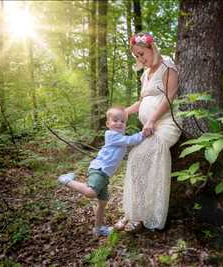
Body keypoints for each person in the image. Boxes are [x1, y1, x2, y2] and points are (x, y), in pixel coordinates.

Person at [115, 32, 181, 232]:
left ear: (153, 49)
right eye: (137, 56)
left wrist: (151, 119)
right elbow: (143, 100)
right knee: (135, 159)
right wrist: (125, 111)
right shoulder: (145, 74)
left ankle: (144, 216)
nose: (140, 59)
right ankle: (131, 212)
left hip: (167, 124)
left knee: (141, 157)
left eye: (142, 54)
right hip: (150, 127)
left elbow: (169, 97)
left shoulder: (168, 66)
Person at [58, 107, 145, 237]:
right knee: (91, 193)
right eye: (115, 120)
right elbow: (130, 141)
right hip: (99, 169)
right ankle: (66, 179)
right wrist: (144, 133)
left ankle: (98, 229)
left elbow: (127, 144)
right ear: (108, 124)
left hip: (105, 175)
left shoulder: (120, 137)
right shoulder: (111, 136)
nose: (119, 123)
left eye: (122, 121)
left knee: (103, 203)